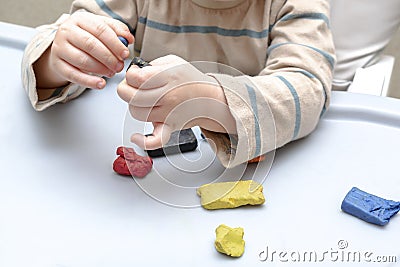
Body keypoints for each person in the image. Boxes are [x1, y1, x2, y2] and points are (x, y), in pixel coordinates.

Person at [21, 0, 335, 168]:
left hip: (243, 175)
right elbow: (54, 43)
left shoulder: (296, 3)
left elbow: (308, 89)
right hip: (140, 188)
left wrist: (211, 99)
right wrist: (57, 61)